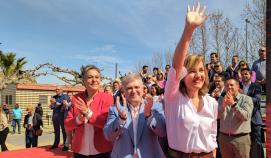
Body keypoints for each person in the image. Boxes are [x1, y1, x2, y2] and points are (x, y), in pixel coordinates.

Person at [164, 3, 218, 157]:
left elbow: (213, 133)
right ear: (183, 76)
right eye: (192, 71)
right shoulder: (173, 98)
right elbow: (176, 66)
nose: (198, 75)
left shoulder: (211, 102)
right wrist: (189, 31)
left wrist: (213, 152)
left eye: (201, 70)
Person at [103, 73, 166, 158]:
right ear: (124, 92)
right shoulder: (115, 109)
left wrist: (149, 115)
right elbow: (108, 136)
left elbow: (162, 132)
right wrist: (121, 119)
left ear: (143, 89)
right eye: (129, 88)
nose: (133, 91)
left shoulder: (155, 107)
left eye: (136, 87)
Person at [65, 65, 113, 158]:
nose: (94, 80)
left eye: (97, 77)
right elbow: (67, 124)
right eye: (90, 77)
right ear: (83, 81)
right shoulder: (76, 98)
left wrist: (88, 113)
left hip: (101, 151)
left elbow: (107, 123)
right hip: (80, 151)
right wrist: (78, 119)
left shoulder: (108, 98)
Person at [218, 77, 253, 158]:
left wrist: (233, 104)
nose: (229, 87)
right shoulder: (221, 99)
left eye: (231, 85)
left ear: (237, 86)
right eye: (227, 85)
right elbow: (216, 117)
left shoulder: (247, 99)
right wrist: (223, 106)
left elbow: (245, 117)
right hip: (224, 138)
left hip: (241, 139)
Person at [240, 68, 264, 158]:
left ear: (250, 75)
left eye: (246, 74)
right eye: (242, 74)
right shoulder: (238, 86)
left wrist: (243, 96)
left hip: (254, 119)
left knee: (257, 143)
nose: (244, 76)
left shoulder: (257, 86)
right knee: (245, 144)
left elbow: (257, 100)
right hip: (242, 119)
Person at [49, 86, 68, 150]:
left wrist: (55, 103)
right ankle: (56, 144)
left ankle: (66, 145)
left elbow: (63, 105)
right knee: (56, 130)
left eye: (58, 89)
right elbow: (52, 106)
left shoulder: (64, 96)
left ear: (61, 90)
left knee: (64, 130)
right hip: (55, 114)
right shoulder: (54, 97)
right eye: (56, 89)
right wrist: (53, 104)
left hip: (61, 115)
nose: (56, 90)